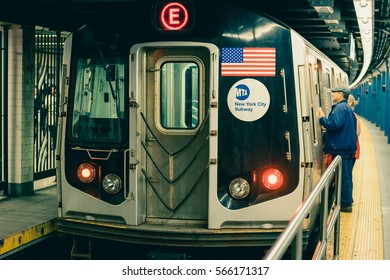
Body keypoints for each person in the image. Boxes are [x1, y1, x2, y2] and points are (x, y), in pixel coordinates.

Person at [318, 85, 357, 213]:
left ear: (341, 94)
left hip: (341, 148)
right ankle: (348, 200)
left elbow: (334, 124)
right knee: (346, 176)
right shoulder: (347, 108)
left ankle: (345, 205)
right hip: (347, 148)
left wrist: (322, 118)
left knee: (343, 178)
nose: (332, 95)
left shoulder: (339, 108)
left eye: (334, 93)